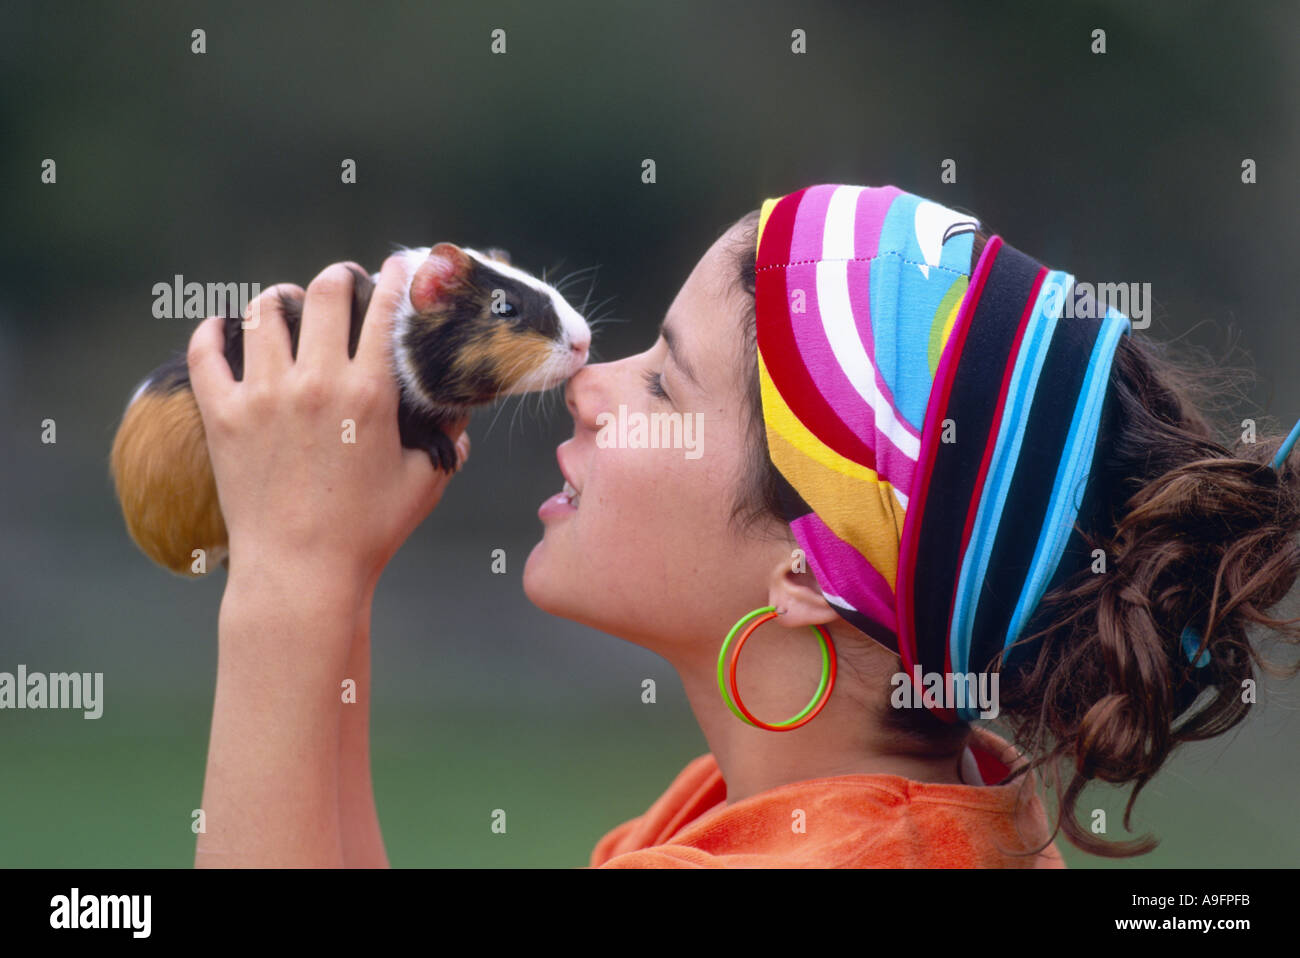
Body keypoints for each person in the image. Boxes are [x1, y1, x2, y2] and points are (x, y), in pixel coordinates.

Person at [186, 184, 1300, 868]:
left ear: (808, 570)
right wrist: (335, 583)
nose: (587, 385)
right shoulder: (914, 802)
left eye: (663, 387)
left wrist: (287, 577)